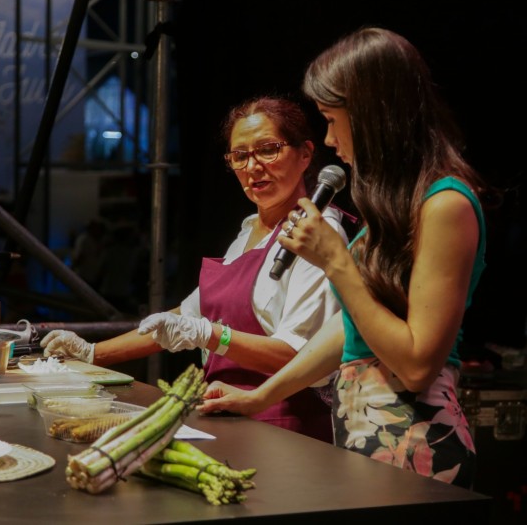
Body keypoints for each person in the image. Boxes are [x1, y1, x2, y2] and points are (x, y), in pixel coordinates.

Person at [199, 27, 487, 489]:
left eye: (332, 119)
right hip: (365, 438)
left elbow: (416, 366)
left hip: (417, 444)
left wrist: (336, 261)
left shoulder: (445, 204)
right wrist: (260, 397)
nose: (330, 139)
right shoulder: (393, 210)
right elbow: (349, 329)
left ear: (375, 114)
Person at [42, 95, 350, 443]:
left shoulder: (320, 235)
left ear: (306, 153)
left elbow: (298, 356)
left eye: (268, 149)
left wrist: (208, 335)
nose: (252, 167)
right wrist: (93, 353)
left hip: (285, 427)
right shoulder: (249, 231)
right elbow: (181, 318)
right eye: (240, 156)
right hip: (225, 416)